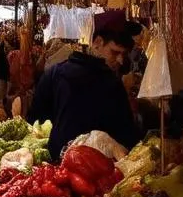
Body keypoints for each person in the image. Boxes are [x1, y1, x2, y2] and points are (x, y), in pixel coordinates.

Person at [30, 18, 139, 161]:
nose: (120, 60)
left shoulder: (54, 73)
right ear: (97, 42)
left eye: (123, 54)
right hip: (95, 170)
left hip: (57, 165)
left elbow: (34, 122)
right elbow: (126, 136)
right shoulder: (111, 83)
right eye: (114, 52)